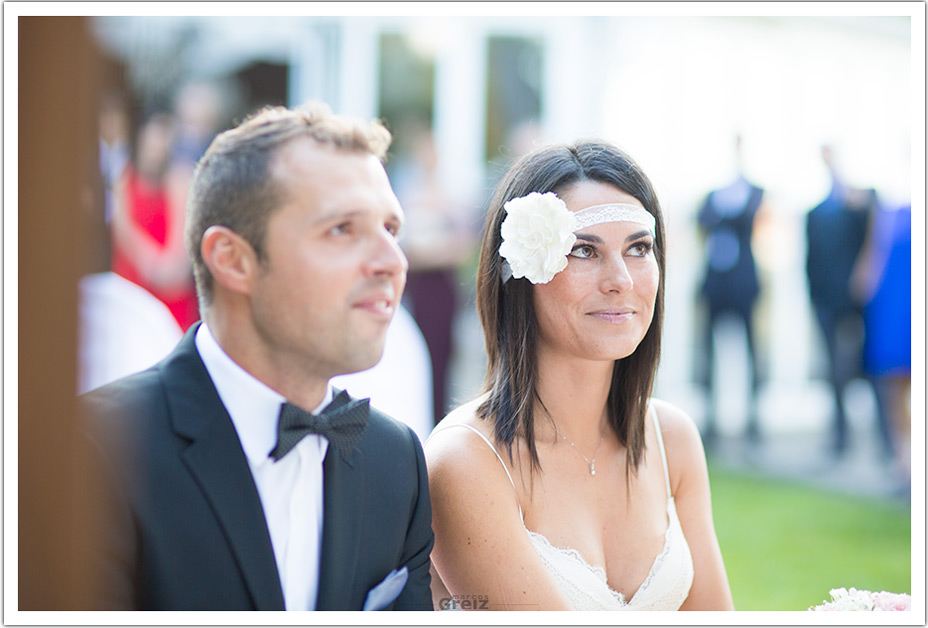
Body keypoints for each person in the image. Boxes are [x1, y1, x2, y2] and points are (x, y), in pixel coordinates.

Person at [78, 103, 434, 610]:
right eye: (343, 229)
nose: (392, 262)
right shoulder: (96, 450)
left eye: (390, 230)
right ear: (233, 259)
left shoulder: (396, 462)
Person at [425, 140, 733, 611]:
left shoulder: (671, 439)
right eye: (584, 251)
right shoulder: (466, 462)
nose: (620, 280)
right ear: (522, 271)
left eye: (639, 248)